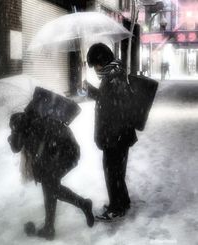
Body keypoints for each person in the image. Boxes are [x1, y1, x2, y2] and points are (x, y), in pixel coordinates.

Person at [8, 110, 94, 240]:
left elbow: (16, 147)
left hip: (66, 153)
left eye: (15, 130)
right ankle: (50, 227)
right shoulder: (29, 124)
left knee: (50, 186)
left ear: (19, 128)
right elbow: (20, 147)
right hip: (58, 152)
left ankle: (83, 204)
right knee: (49, 186)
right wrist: (14, 135)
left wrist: (13, 137)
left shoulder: (33, 129)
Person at [83, 43, 138, 222]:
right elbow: (107, 100)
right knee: (117, 171)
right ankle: (123, 200)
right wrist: (91, 91)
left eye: (96, 65)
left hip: (116, 136)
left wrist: (111, 138)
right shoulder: (114, 75)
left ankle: (116, 207)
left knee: (112, 172)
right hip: (119, 135)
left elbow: (115, 108)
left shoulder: (113, 79)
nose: (95, 69)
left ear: (102, 61)